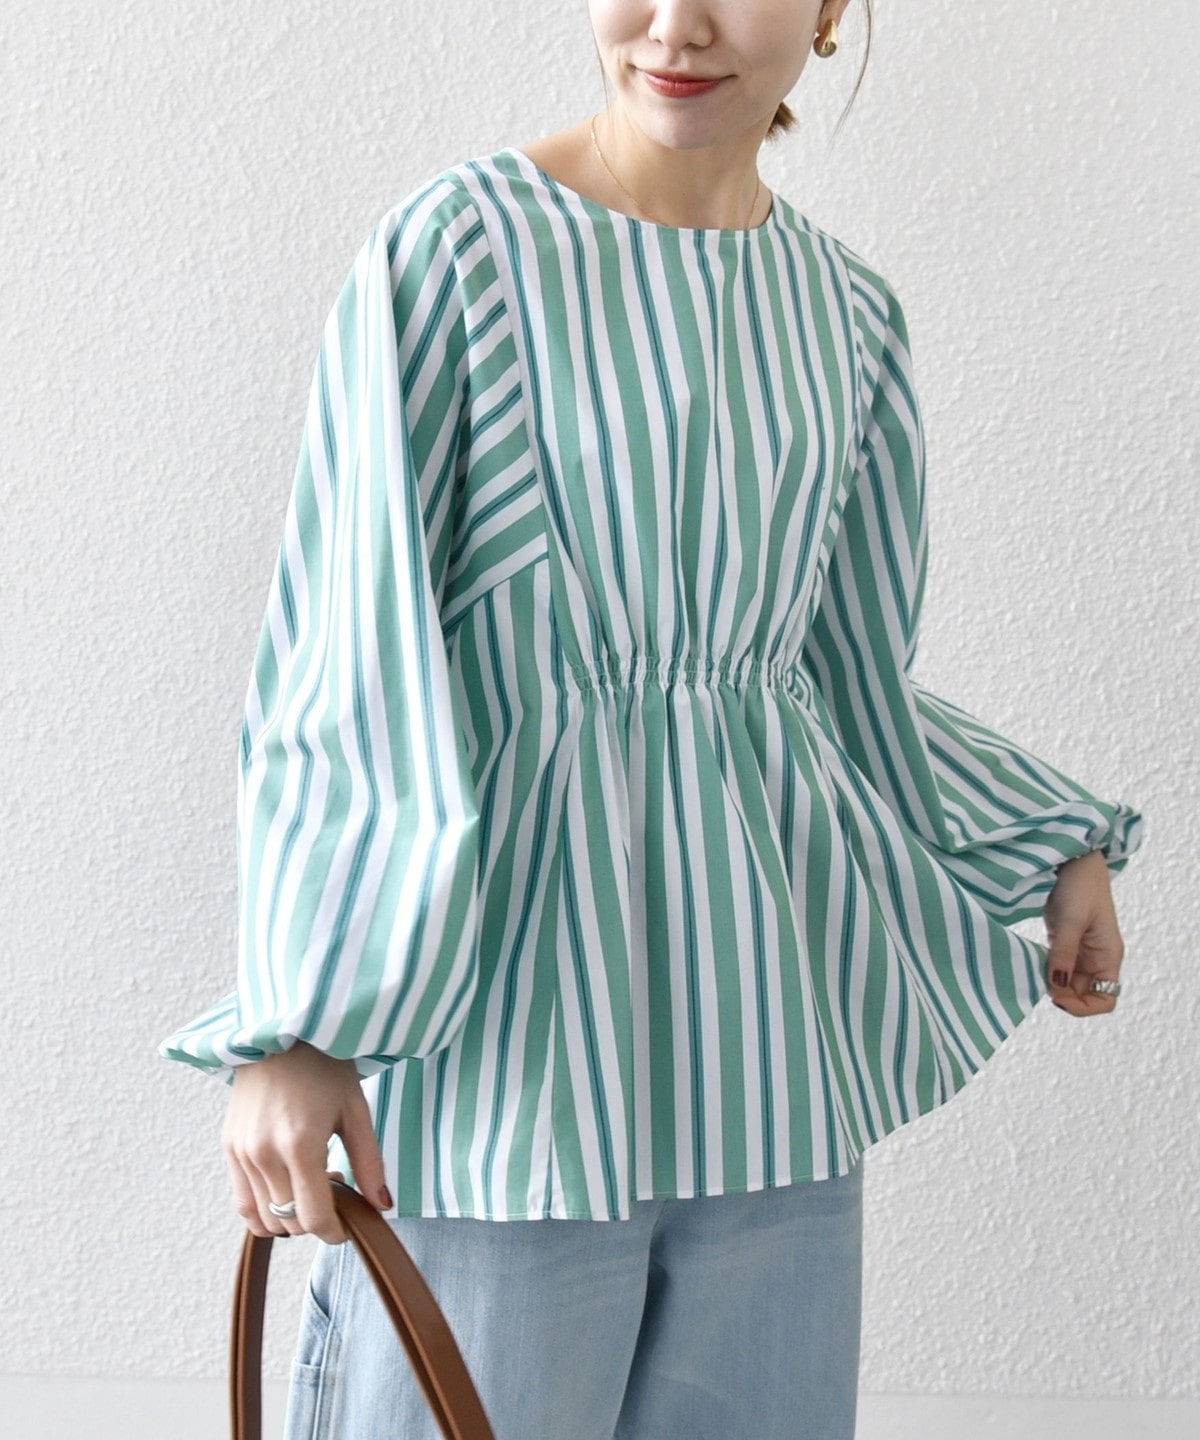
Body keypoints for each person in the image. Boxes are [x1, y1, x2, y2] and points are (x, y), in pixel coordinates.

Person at [159, 3, 1145, 1436]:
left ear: (830, 10)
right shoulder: (464, 254)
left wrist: (1047, 843)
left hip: (771, 1065)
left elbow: (832, 696)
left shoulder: (848, 318)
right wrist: (305, 1023)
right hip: (511, 1071)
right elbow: (352, 658)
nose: (677, 24)